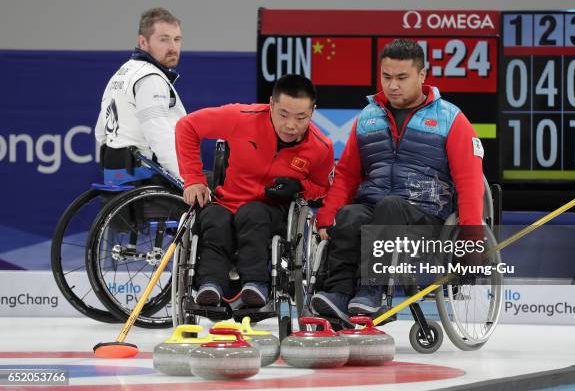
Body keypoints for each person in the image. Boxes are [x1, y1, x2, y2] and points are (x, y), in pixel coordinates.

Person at [310, 39, 485, 321]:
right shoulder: (367, 117)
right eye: (386, 77)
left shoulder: (452, 119)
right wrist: (327, 216)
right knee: (350, 214)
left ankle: (371, 291)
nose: (392, 85)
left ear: (422, 75)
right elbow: (346, 174)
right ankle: (339, 293)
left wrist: (472, 239)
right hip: (376, 210)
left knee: (391, 206)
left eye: (402, 77)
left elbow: (469, 181)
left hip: (427, 219)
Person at [175, 74, 335, 307]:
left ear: (313, 111)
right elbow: (186, 126)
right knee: (213, 219)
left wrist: (300, 187)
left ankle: (256, 285)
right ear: (270, 104)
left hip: (270, 212)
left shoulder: (321, 147)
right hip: (227, 203)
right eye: (283, 114)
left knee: (253, 214)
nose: (291, 125)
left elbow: (324, 189)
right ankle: (210, 285)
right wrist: (194, 179)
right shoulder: (241, 117)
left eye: (301, 117)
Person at [95, 7, 185, 181]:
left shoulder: (121, 73)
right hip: (149, 176)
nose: (173, 47)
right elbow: (161, 138)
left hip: (118, 176)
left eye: (177, 39)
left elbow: (101, 133)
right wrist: (188, 180)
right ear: (143, 42)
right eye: (164, 40)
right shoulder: (150, 79)